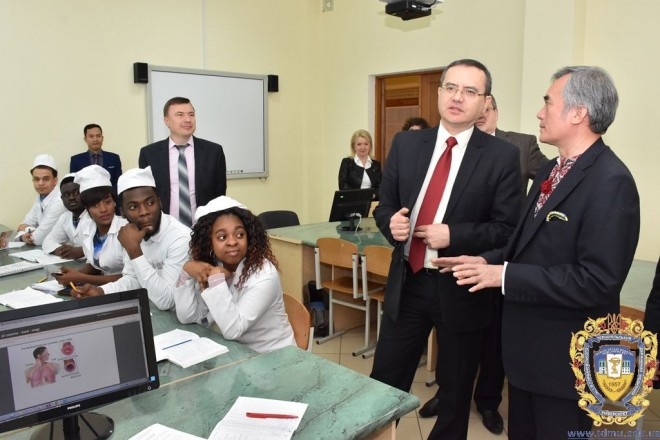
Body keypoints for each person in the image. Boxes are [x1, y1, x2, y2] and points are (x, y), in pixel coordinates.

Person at [436, 66, 640, 439]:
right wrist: (485, 261)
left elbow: (597, 281)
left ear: (578, 113)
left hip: (563, 361)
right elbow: (526, 244)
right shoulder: (550, 169)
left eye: (548, 102)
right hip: (526, 356)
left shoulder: (611, 182)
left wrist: (504, 276)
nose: (539, 112)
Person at [369, 59, 522, 440]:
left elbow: (507, 230)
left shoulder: (501, 156)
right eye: (451, 88)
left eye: (470, 91)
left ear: (484, 102)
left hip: (461, 288)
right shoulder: (407, 144)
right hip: (408, 282)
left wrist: (453, 234)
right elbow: (385, 206)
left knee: (454, 394)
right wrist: (391, 224)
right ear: (439, 93)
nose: (457, 97)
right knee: (383, 382)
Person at [418, 95, 549, 434]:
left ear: (494, 112)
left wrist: (528, 221)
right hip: (459, 255)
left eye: (486, 110)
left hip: (501, 256)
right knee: (452, 335)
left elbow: (550, 183)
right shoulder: (455, 144)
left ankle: (488, 401)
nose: (480, 116)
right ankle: (448, 394)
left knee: (493, 339)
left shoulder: (520, 145)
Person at [173, 196, 295, 353]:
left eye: (239, 235)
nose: (232, 242)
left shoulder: (264, 275)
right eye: (222, 237)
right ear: (209, 242)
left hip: (273, 355)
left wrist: (216, 279)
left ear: (249, 236)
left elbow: (233, 329)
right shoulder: (214, 264)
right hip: (239, 352)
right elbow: (188, 317)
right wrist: (186, 273)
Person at [73, 167, 191, 310]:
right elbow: (133, 280)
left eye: (150, 203)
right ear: (122, 212)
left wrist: (134, 251)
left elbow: (167, 301)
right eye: (133, 207)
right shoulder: (132, 232)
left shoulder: (180, 238)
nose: (144, 212)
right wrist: (100, 291)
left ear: (160, 202)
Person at [138, 96, 227, 227]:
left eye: (191, 114)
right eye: (180, 115)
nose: (187, 119)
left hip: (204, 228)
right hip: (164, 229)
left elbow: (219, 195)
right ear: (166, 121)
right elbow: (146, 196)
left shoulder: (213, 152)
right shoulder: (149, 154)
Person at [54, 165, 126, 286]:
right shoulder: (88, 228)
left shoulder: (126, 230)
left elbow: (131, 277)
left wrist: (80, 277)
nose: (103, 209)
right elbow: (96, 264)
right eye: (95, 205)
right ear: (87, 209)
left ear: (114, 202)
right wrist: (71, 276)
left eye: (108, 202)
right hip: (104, 289)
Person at [17, 154, 67, 246]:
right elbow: (23, 224)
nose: (40, 183)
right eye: (36, 179)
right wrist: (23, 236)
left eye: (46, 179)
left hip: (64, 250)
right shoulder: (40, 198)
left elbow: (38, 238)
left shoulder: (61, 200)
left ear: (55, 181)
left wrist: (26, 229)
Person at [41, 173, 86, 259]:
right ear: (62, 199)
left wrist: (81, 251)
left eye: (76, 193)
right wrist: (61, 251)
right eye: (66, 195)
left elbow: (105, 247)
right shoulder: (65, 217)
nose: (71, 198)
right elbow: (48, 241)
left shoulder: (96, 216)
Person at [70, 124, 123, 191]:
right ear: (85, 139)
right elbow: (74, 184)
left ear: (102, 138)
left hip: (110, 195)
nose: (95, 139)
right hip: (85, 196)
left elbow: (119, 181)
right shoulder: (76, 160)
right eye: (91, 136)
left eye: (98, 136)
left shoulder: (114, 158)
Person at [337, 129, 382, 199]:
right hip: (352, 202)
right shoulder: (347, 163)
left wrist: (372, 195)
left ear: (370, 146)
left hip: (372, 202)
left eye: (366, 144)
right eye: (359, 144)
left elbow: (380, 187)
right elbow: (343, 186)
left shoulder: (376, 165)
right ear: (353, 146)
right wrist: (360, 196)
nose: (363, 147)